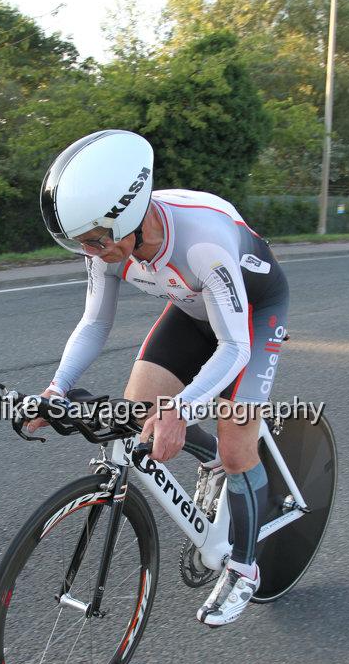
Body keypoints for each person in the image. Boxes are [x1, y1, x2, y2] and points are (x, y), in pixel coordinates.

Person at [29, 129, 289, 627]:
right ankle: (212, 461)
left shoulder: (202, 242)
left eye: (95, 241)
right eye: (81, 243)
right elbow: (95, 323)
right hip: (193, 312)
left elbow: (234, 347)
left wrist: (183, 410)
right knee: (137, 412)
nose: (90, 251)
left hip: (253, 315)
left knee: (236, 442)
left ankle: (244, 567)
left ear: (125, 218)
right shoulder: (108, 242)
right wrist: (56, 388)